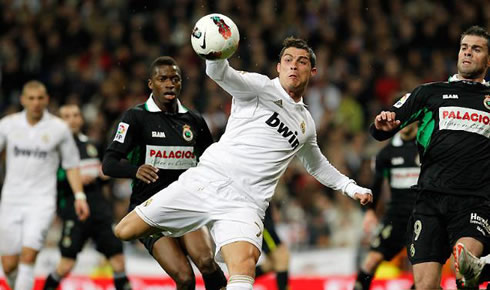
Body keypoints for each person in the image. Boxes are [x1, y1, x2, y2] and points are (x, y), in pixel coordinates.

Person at [113, 36, 373, 290]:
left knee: (243, 270)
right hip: (205, 181)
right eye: (288, 59)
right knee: (124, 231)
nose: (294, 65)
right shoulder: (259, 87)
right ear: (278, 67)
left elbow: (317, 165)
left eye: (302, 61)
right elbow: (221, 73)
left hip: (245, 204)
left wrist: (351, 188)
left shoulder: (305, 124)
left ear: (313, 71)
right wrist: (215, 45)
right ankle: (172, 231)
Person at [369, 25, 490, 289]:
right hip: (429, 201)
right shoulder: (429, 93)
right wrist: (384, 124)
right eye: (464, 47)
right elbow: (383, 126)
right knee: (424, 286)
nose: (468, 53)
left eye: (476, 49)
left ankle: (479, 270)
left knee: (465, 267)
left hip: (473, 202)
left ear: (488, 60)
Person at [102, 56, 227, 290]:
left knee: (207, 262)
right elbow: (108, 163)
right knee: (185, 277)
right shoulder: (135, 117)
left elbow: (212, 163)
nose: (170, 84)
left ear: (180, 83)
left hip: (187, 206)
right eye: (163, 79)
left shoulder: (194, 120)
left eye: (175, 79)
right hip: (150, 211)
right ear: (151, 84)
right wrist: (135, 170)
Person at [0, 81, 90, 290]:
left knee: (28, 256)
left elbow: (71, 165)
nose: (36, 103)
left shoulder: (59, 128)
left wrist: (80, 197)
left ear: (47, 99)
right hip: (11, 200)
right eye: (31, 98)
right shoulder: (8, 125)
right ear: (22, 100)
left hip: (41, 201)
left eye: (40, 98)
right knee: (9, 264)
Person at [43, 104, 131, 289]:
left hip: (99, 209)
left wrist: (104, 174)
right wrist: (73, 178)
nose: (72, 119)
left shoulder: (93, 145)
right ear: (59, 121)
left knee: (118, 260)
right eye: (66, 116)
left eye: (75, 115)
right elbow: (46, 179)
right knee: (66, 264)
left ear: (81, 119)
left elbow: (106, 174)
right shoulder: (53, 149)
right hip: (73, 210)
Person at [354, 122, 419, 290]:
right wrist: (370, 212)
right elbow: (376, 184)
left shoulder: (426, 146)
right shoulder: (387, 153)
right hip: (396, 216)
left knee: (421, 272)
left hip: (422, 215)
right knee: (371, 261)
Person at [255, 204, 290, 290]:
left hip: (266, 220)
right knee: (282, 257)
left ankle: (239, 279)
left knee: (271, 264)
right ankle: (239, 279)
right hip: (263, 223)